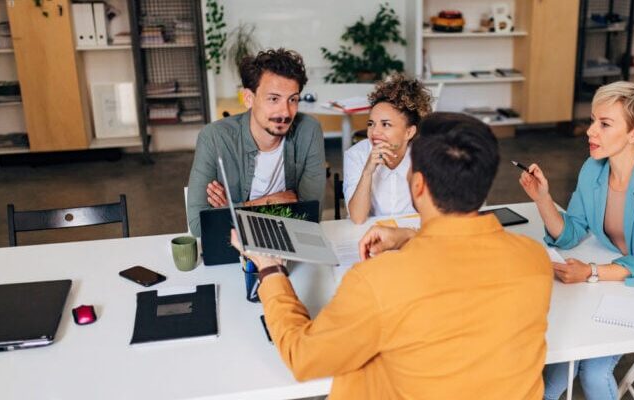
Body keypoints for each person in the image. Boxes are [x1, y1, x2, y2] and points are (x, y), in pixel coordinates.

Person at [231, 112, 553, 399]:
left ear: (418, 186)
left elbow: (304, 358)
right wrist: (411, 237)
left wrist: (270, 269)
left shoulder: (378, 281)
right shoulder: (534, 260)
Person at [518, 81, 634, 400]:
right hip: (612, 279)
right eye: (592, 120)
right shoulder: (594, 169)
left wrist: (590, 272)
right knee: (562, 354)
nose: (591, 131)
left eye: (604, 124)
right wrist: (543, 199)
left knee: (593, 371)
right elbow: (572, 231)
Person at [186, 48, 325, 236]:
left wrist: (230, 210)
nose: (285, 112)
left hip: (288, 238)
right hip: (233, 245)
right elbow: (198, 225)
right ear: (248, 98)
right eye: (273, 99)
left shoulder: (309, 130)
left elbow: (311, 215)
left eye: (293, 100)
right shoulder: (214, 137)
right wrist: (272, 202)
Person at [343, 74, 432, 223]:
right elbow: (358, 218)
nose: (374, 132)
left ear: (409, 132)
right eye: (371, 124)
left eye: (385, 124)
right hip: (369, 235)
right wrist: (367, 172)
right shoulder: (355, 155)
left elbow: (433, 213)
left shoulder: (425, 155)